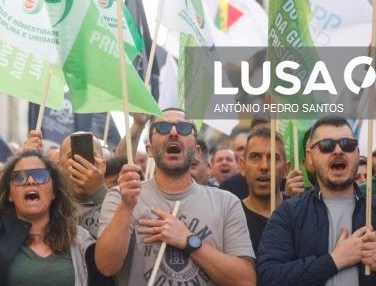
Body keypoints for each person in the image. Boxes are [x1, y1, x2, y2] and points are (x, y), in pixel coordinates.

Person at [0, 108, 114, 286]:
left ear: (54, 191)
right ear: (9, 194)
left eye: (40, 175)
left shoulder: (82, 242)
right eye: (19, 177)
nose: (30, 181)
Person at [96, 108, 255, 286]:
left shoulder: (226, 203)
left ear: (196, 151)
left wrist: (189, 240)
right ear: (149, 150)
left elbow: (245, 281)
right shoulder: (120, 196)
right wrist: (126, 207)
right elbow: (106, 266)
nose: (173, 132)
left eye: (184, 129)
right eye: (162, 127)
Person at [257, 116, 376, 285]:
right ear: (309, 158)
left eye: (347, 145)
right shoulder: (288, 213)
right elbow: (269, 277)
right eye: (326, 146)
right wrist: (334, 260)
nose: (338, 151)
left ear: (358, 153)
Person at [240, 128, 287, 254]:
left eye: (273, 158)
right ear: (242, 166)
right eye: (255, 157)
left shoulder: (301, 214)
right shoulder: (231, 217)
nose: (264, 166)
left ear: (286, 169)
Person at [58, 134, 108, 237]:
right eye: (72, 157)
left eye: (90, 156)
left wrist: (99, 191)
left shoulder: (120, 200)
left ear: (103, 165)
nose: (81, 163)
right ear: (59, 166)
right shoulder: (49, 204)